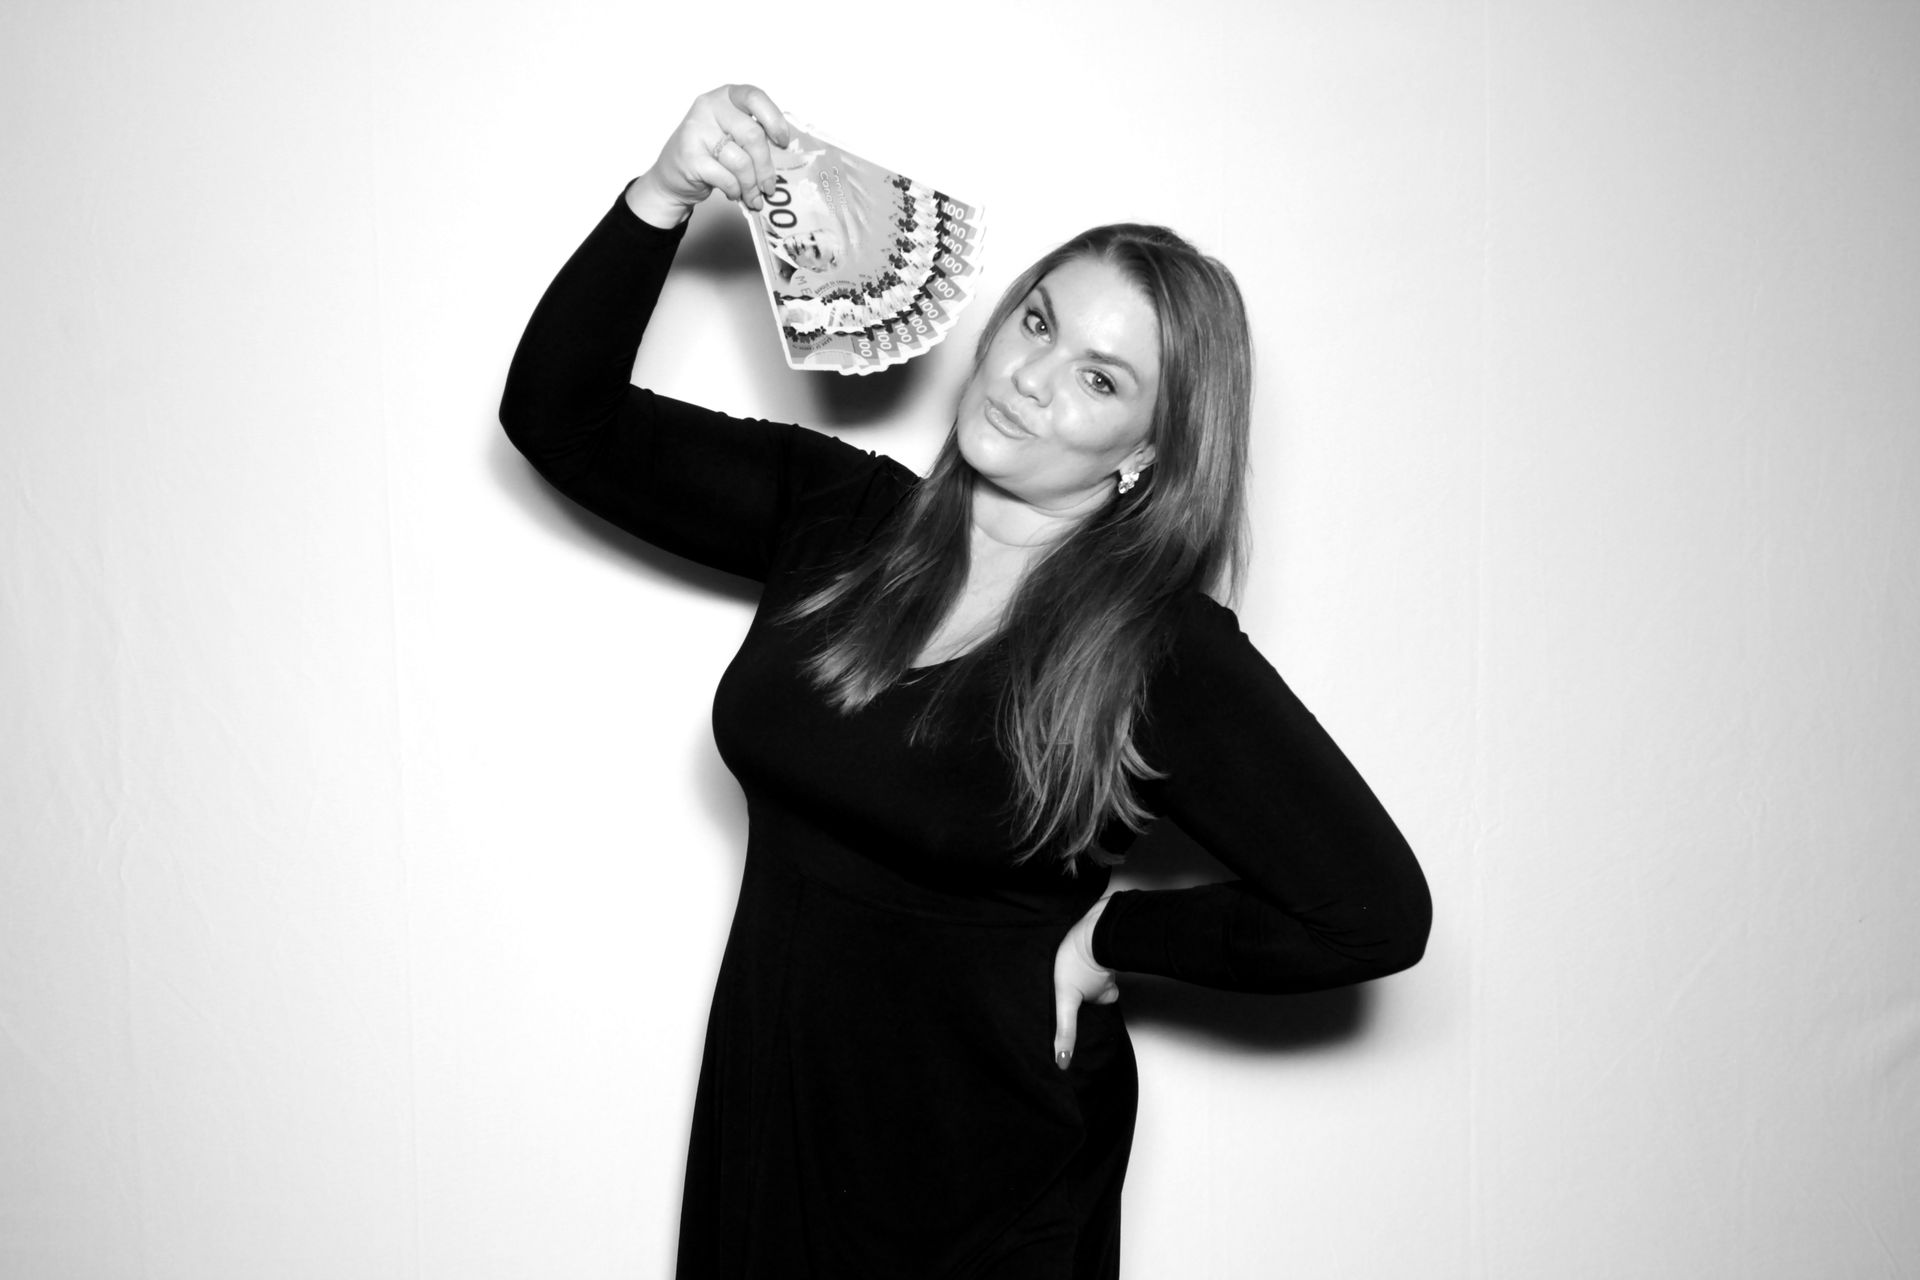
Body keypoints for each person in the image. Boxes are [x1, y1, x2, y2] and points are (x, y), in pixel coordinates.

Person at [500, 83, 1431, 1280]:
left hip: (985, 1179)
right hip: (775, 1119)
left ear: (1146, 454)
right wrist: (666, 195)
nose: (1036, 378)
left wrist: (1121, 935)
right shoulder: (838, 516)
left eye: (1103, 379)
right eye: (1039, 324)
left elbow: (1370, 910)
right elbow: (559, 418)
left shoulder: (1158, 649)